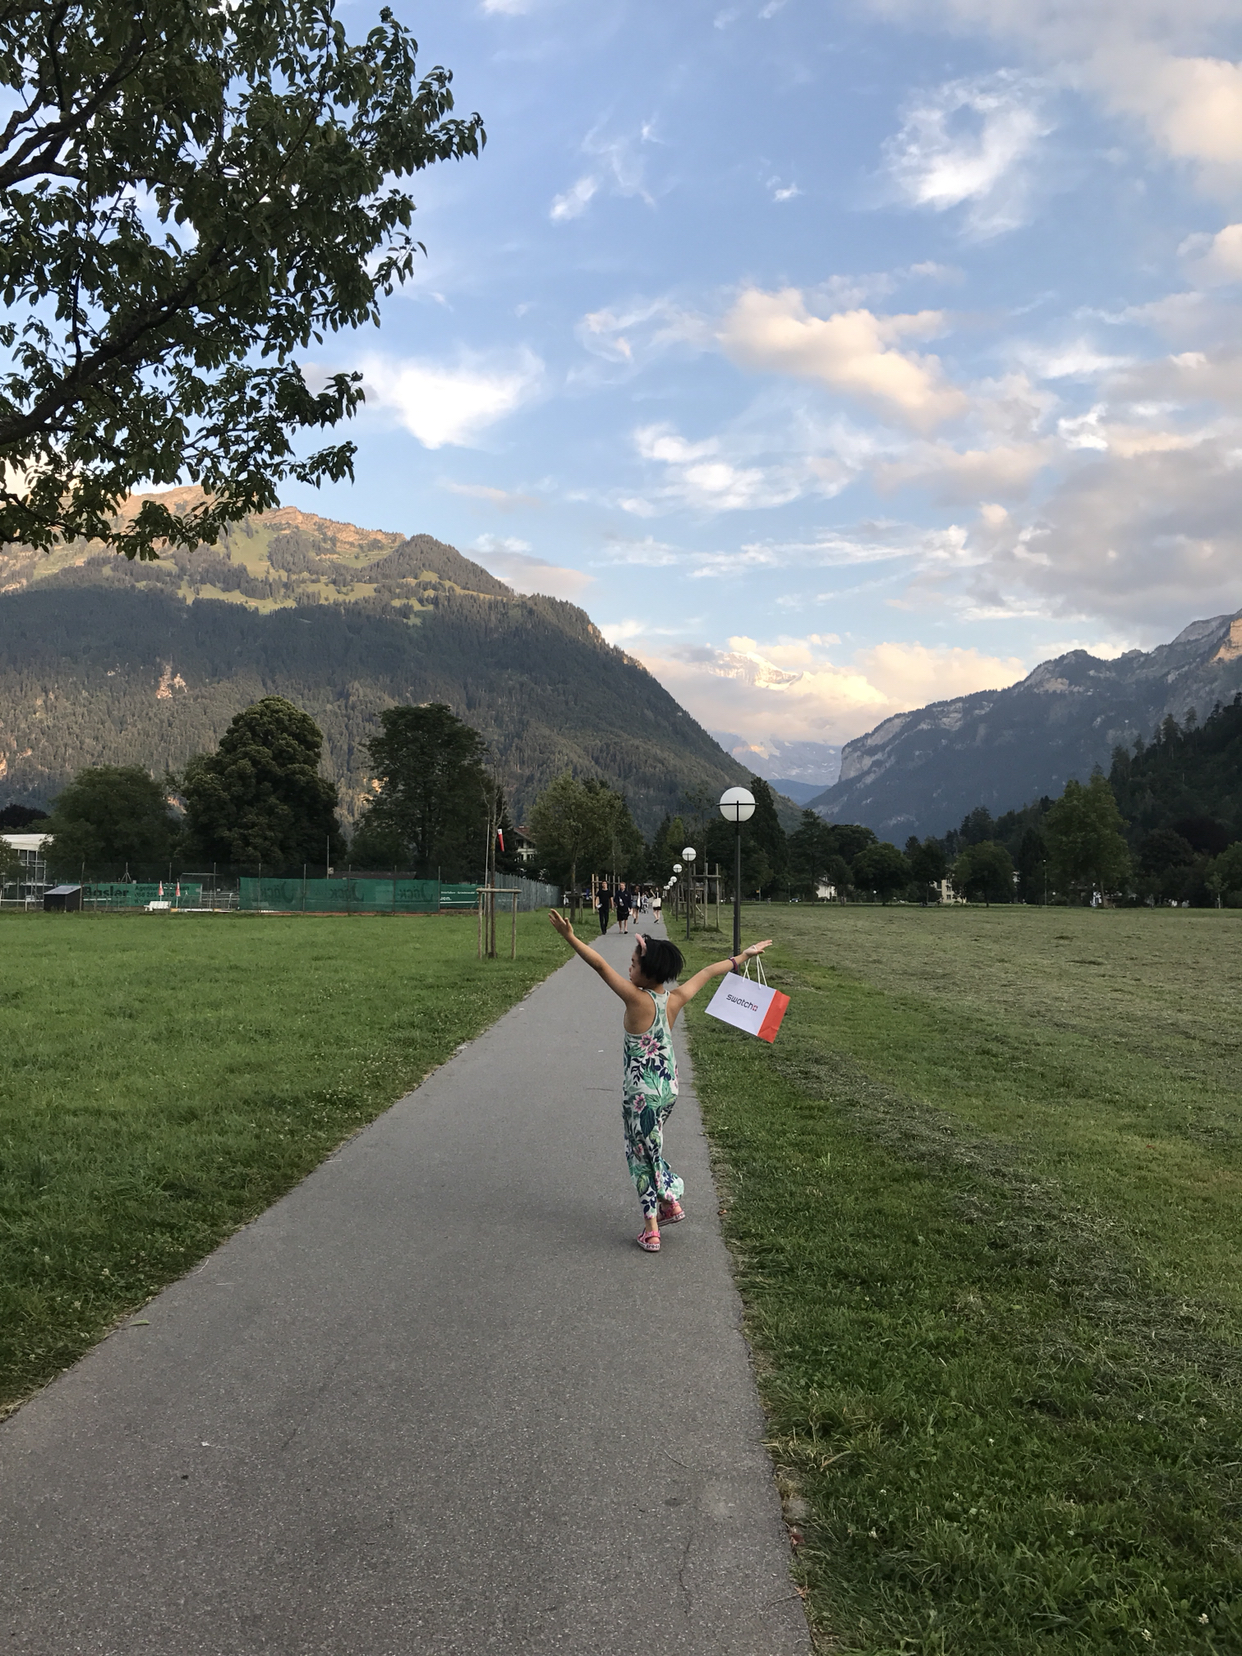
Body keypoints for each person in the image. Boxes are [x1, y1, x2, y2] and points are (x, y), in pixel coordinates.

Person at [548, 910, 773, 1253]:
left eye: (633, 963)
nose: (628, 968)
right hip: (668, 1089)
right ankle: (669, 1201)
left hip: (641, 1095)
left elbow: (599, 966)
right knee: (652, 1147)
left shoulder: (634, 998)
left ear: (648, 970)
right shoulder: (675, 998)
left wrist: (571, 938)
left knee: (639, 1155)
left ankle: (652, 1227)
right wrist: (743, 956)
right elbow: (708, 972)